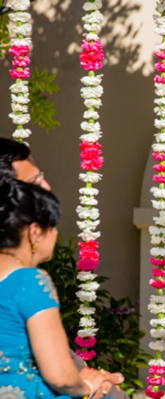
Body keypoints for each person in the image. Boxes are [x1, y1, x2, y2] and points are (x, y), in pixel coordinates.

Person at [0, 136, 128, 399]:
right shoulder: (29, 280)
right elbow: (60, 376)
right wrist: (89, 387)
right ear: (35, 232)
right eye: (52, 227)